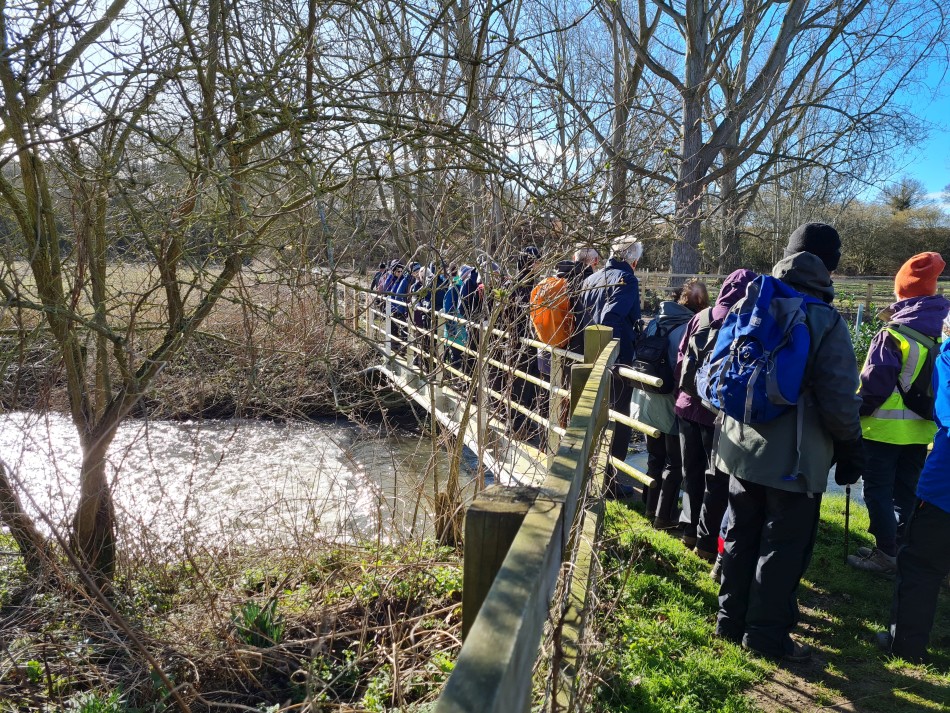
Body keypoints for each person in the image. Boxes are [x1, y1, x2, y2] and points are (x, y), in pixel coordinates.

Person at [714, 222, 864, 663]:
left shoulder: (754, 301)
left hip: (741, 448)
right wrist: (852, 446)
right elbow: (838, 398)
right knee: (783, 548)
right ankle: (766, 638)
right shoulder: (825, 318)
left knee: (740, 534)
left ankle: (730, 621)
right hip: (794, 461)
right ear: (829, 265)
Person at [849, 252, 949, 574]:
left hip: (881, 431)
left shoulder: (892, 335)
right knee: (906, 492)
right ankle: (901, 547)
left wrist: (853, 414)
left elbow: (874, 388)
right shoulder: (941, 333)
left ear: (902, 293)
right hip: (922, 431)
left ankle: (885, 554)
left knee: (877, 490)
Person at [876, 312, 950, 663]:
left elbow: (946, 414)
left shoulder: (948, 355)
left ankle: (905, 644)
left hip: (944, 487)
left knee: (920, 564)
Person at [675, 269, 757, 556]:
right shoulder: (744, 320)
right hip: (718, 413)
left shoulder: (702, 316)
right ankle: (708, 542)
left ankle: (687, 529)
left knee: (691, 471)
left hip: (687, 405)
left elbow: (682, 356)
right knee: (717, 478)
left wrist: (682, 394)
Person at [632, 280, 707, 529]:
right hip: (669, 403)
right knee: (674, 463)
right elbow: (684, 371)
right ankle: (664, 517)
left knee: (655, 457)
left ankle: (649, 505)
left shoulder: (655, 320)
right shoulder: (688, 327)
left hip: (644, 398)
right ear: (699, 303)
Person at [579, 237, 643, 497]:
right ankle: (609, 480)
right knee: (617, 418)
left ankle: (590, 471)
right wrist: (614, 357)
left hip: (587, 354)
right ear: (634, 260)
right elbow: (611, 317)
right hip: (614, 359)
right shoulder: (626, 280)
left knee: (592, 416)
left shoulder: (590, 279)